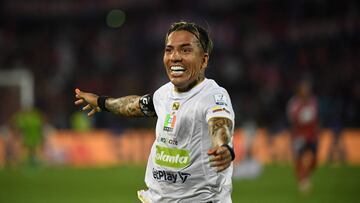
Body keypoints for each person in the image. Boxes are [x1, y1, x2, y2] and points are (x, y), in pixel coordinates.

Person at [75, 21, 235, 202]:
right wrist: (101, 102)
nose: (175, 57)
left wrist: (223, 147)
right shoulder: (164, 94)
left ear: (204, 60)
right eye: (169, 50)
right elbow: (134, 105)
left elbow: (220, 122)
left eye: (185, 50)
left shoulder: (213, 96)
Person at [287, 80, 319, 193]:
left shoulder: (313, 102)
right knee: (299, 159)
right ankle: (302, 181)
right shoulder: (294, 103)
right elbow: (293, 120)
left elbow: (315, 119)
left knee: (314, 160)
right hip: (299, 135)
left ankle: (306, 175)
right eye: (303, 90)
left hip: (311, 135)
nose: (305, 92)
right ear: (299, 91)